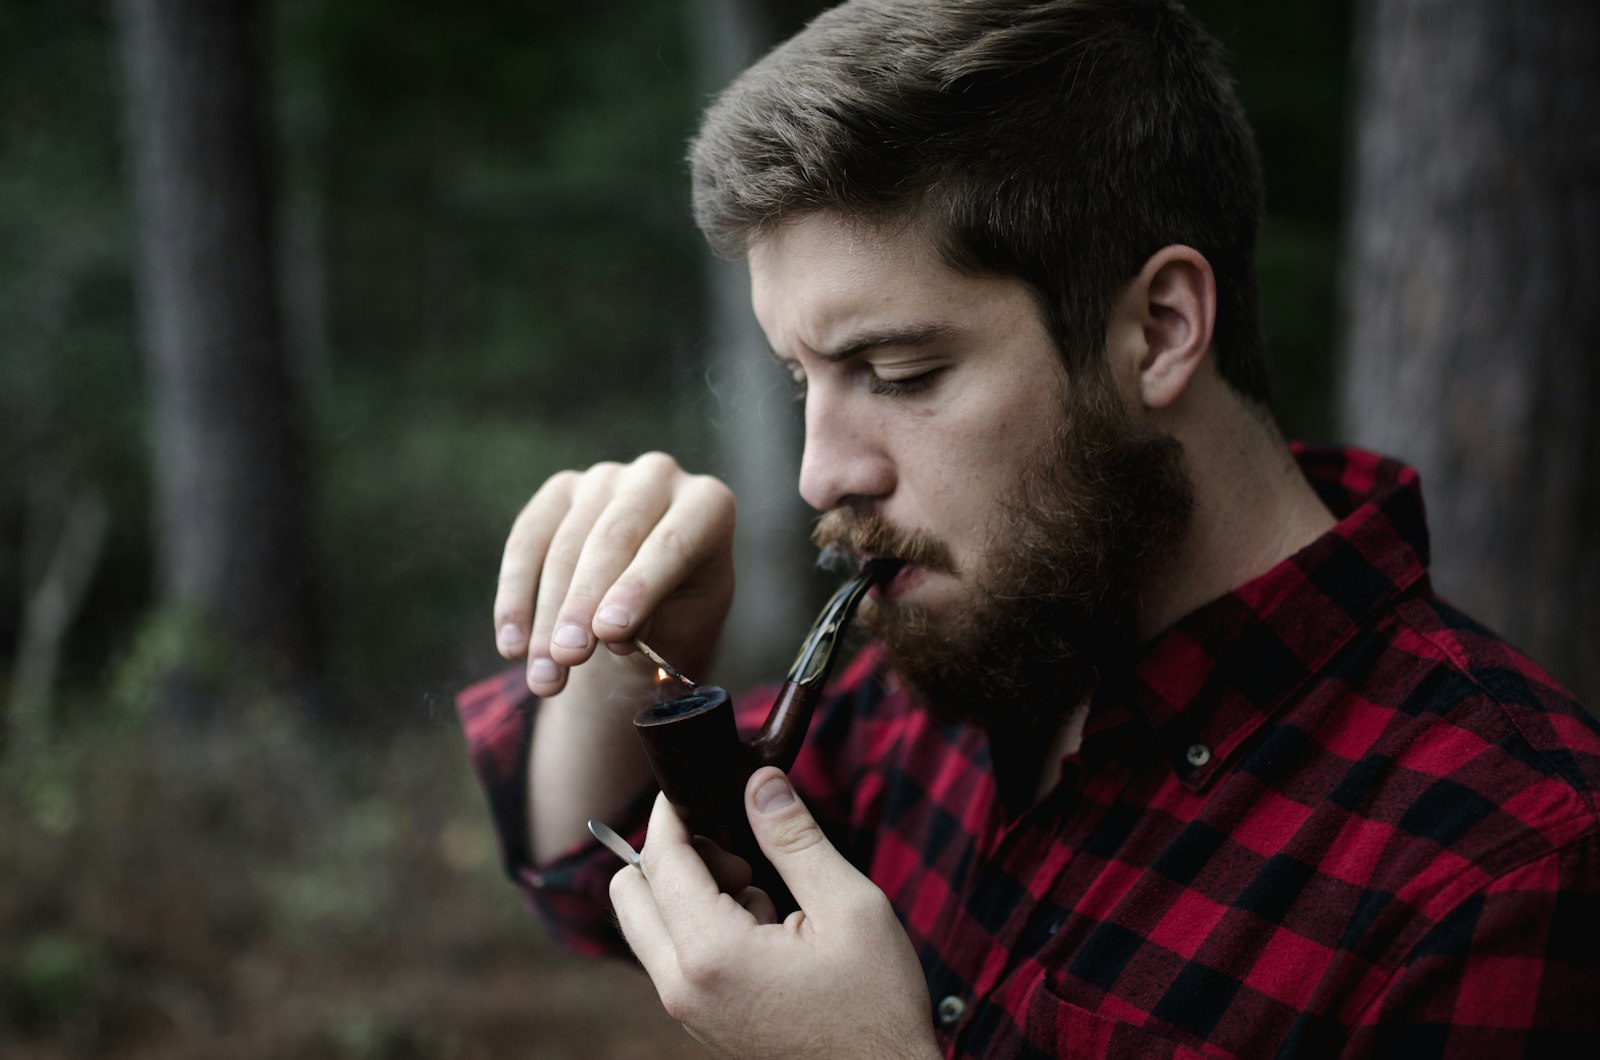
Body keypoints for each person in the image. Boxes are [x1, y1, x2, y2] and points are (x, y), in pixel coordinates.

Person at [457, 1, 1600, 1055]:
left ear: (1156, 331)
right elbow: (586, 875)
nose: (819, 475)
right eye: (803, 378)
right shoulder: (970, 660)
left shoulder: (1507, 866)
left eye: (897, 371)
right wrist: (625, 645)